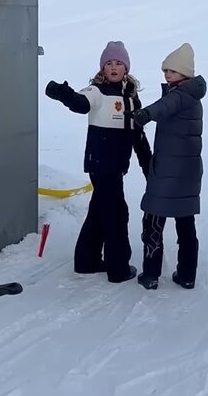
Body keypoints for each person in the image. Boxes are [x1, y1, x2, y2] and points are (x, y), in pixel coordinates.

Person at [45, 41, 151, 284]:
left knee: (98, 211)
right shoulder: (97, 92)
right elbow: (80, 104)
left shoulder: (132, 100)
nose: (113, 67)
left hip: (116, 167)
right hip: (101, 166)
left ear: (126, 67)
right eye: (108, 63)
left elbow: (138, 137)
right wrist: (63, 93)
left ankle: (86, 260)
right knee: (116, 213)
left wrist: (148, 166)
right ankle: (119, 268)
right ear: (102, 68)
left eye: (118, 63)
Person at [134, 44, 206, 291]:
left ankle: (151, 274)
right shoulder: (192, 96)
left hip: (168, 172)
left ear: (184, 73)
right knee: (186, 224)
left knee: (153, 220)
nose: (167, 74)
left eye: (172, 70)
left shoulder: (179, 94)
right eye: (165, 70)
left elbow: (162, 107)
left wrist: (144, 115)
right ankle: (187, 275)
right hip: (188, 172)